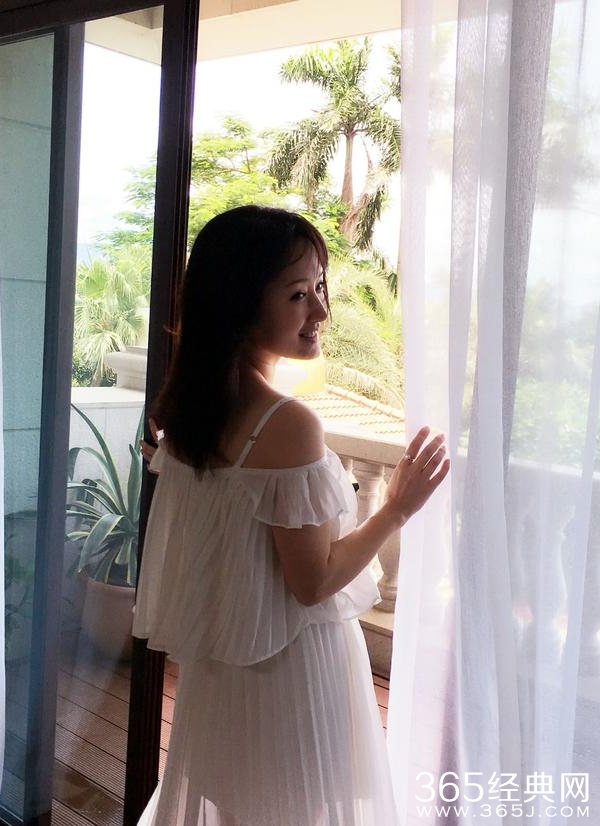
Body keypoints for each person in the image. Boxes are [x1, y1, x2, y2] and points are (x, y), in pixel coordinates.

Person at [133, 205, 449, 826]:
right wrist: (396, 508)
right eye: (299, 294)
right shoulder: (287, 424)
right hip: (290, 678)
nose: (321, 311)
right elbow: (314, 581)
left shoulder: (190, 411)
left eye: (320, 288)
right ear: (241, 303)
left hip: (222, 677)